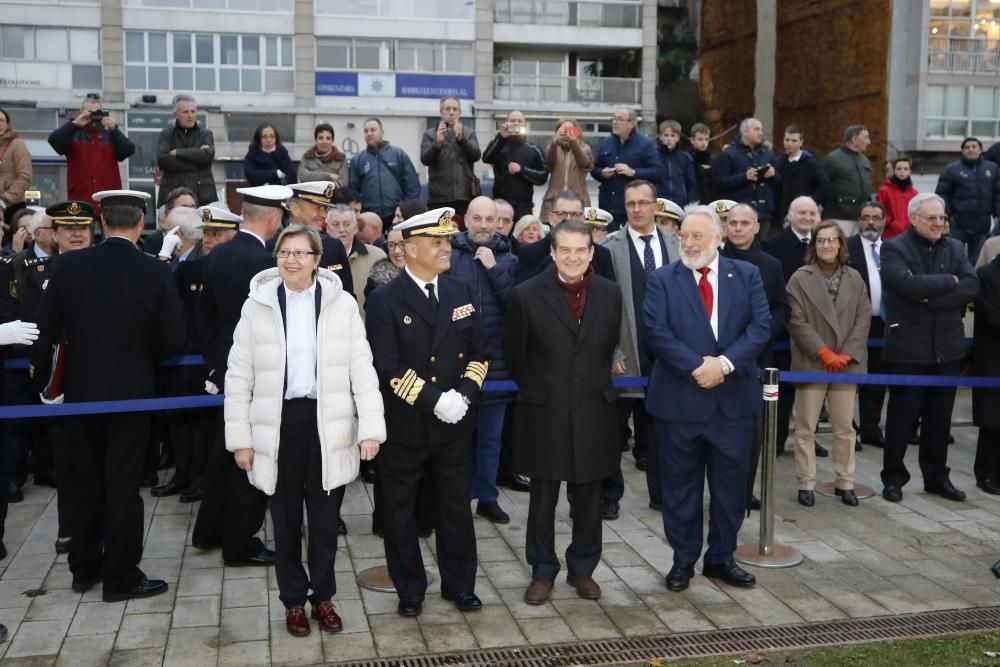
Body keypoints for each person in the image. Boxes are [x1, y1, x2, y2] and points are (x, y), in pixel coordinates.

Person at [226, 223, 384, 637]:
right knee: (284, 520)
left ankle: (324, 597)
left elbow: (361, 370)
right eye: (284, 252)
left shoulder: (341, 304)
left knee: (326, 520)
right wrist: (240, 440)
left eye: (300, 253)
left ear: (317, 260)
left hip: (327, 423)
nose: (291, 260)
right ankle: (293, 601)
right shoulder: (257, 304)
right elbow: (238, 376)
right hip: (278, 426)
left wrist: (370, 429)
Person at [32, 189, 184, 602]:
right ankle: (120, 576)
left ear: (100, 223)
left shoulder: (66, 267)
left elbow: (45, 331)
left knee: (83, 483)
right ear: (140, 224)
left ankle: (84, 567)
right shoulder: (154, 271)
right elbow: (172, 340)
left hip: (78, 394)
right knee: (123, 487)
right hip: (132, 395)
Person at [365, 207, 489, 618]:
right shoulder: (385, 300)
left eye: (447, 241)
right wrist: (437, 400)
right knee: (401, 514)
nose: (445, 248)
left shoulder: (462, 290)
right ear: (410, 248)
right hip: (407, 426)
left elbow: (479, 353)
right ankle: (410, 589)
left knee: (456, 508)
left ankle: (460, 585)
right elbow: (388, 367)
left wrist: (465, 395)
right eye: (437, 242)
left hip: (455, 425)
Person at [642, 205, 770, 593]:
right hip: (679, 403)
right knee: (680, 488)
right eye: (684, 235)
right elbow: (656, 331)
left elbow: (760, 326)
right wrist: (699, 366)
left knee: (731, 488)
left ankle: (721, 558)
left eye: (698, 235)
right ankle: (683, 560)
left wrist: (726, 365)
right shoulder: (662, 279)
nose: (689, 242)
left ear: (719, 238)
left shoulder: (746, 275)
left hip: (731, 406)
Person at [504, 219, 622, 605]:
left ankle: (582, 569)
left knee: (588, 495)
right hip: (545, 411)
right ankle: (542, 570)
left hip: (593, 410)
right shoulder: (525, 294)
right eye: (564, 249)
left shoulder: (610, 293)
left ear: (591, 253)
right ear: (552, 252)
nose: (573, 257)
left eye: (581, 250)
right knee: (542, 499)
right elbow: (516, 355)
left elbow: (606, 348)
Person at [192, 184, 292, 566]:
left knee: (226, 451)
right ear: (271, 217)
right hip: (260, 372)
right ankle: (240, 542)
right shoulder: (267, 264)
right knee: (253, 456)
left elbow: (204, 316)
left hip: (228, 367)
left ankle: (210, 530)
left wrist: (216, 362)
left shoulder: (217, 255)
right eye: (280, 214)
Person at [880, 192, 979, 504]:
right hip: (908, 349)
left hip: (947, 349)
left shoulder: (957, 247)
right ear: (914, 219)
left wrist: (932, 293)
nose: (939, 223)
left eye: (942, 217)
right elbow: (906, 286)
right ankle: (893, 479)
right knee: (901, 420)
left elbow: (970, 286)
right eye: (932, 218)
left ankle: (936, 478)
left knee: (940, 421)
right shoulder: (894, 247)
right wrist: (948, 281)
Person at [602, 181, 679, 518]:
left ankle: (661, 494)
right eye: (630, 203)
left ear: (655, 205)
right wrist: (613, 352)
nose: (636, 209)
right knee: (612, 432)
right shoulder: (609, 247)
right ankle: (609, 497)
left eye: (643, 202)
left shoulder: (677, 245)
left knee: (660, 429)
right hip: (625, 354)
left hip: (667, 356)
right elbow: (603, 306)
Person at [155, 206, 240, 505]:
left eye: (218, 235)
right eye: (207, 234)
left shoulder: (237, 268)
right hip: (187, 357)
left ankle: (204, 481)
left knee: (209, 426)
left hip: (220, 359)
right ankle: (184, 476)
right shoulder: (190, 268)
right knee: (181, 421)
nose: (210, 241)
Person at [786, 220, 871, 508]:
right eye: (821, 240)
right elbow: (795, 320)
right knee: (806, 426)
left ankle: (845, 481)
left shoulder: (855, 278)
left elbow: (864, 317)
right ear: (814, 246)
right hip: (813, 362)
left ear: (841, 245)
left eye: (832, 240)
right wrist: (823, 352)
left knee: (845, 427)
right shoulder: (799, 278)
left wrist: (845, 354)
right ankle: (806, 482)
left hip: (845, 365)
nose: (826, 245)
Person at [445, 196, 517, 524]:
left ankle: (487, 497)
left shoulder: (509, 258)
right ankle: (456, 498)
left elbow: (516, 304)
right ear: (466, 220)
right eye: (478, 218)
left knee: (490, 439)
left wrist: (493, 267)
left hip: (498, 366)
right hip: (457, 367)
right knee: (457, 440)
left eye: (491, 219)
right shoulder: (449, 254)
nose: (485, 225)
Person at [30, 200, 93, 555]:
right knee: (67, 461)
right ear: (54, 234)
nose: (77, 233)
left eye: (83, 227)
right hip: (60, 379)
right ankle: (69, 528)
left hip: (98, 376)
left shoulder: (102, 267)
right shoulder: (34, 270)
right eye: (69, 228)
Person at [719, 203, 790, 511]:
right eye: (732, 222)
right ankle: (720, 496)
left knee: (752, 434)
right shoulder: (714, 260)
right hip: (719, 359)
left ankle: (744, 494)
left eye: (744, 223)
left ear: (756, 227)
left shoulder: (771, 265)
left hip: (758, 361)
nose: (737, 228)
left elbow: (782, 308)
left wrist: (759, 333)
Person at [763, 196, 826, 457]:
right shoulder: (773, 244)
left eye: (812, 213)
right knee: (782, 390)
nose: (807, 218)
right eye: (802, 213)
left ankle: (808, 438)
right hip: (784, 330)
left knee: (811, 389)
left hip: (816, 329)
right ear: (790, 216)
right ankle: (775, 441)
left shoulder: (825, 243)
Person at [47, 94, 135, 216]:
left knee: (109, 234)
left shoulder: (110, 135)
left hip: (108, 201)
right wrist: (74, 124)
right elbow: (54, 141)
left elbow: (128, 150)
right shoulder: (73, 134)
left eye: (97, 113)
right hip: (80, 200)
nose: (93, 116)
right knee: (82, 234)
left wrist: (114, 129)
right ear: (81, 113)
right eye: (89, 113)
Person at [847, 202, 889, 448]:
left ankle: (871, 429)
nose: (871, 222)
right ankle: (848, 430)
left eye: (876, 217)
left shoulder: (892, 248)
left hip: (882, 324)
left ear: (884, 221)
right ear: (859, 221)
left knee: (877, 379)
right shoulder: (848, 248)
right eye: (866, 217)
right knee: (850, 378)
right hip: (852, 324)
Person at [515, 191, 616, 283]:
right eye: (561, 214)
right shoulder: (530, 253)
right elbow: (521, 296)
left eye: (574, 214)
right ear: (550, 218)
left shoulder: (601, 255)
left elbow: (609, 295)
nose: (568, 219)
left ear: (583, 218)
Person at [591, 107, 659, 230]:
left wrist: (633, 172)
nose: (615, 122)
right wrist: (601, 173)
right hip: (608, 207)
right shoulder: (605, 143)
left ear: (632, 123)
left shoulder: (645, 144)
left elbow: (657, 172)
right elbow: (593, 168)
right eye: (614, 119)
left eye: (620, 119)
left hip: (634, 210)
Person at [935, 137, 1000, 265]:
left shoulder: (992, 169)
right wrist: (946, 216)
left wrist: (997, 213)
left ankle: (974, 284)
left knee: (977, 262)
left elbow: (997, 193)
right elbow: (942, 195)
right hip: (958, 225)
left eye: (974, 146)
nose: (971, 149)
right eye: (967, 147)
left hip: (982, 226)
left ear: (980, 149)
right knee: (952, 259)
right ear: (962, 151)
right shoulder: (951, 169)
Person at [284, 182, 354, 297]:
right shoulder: (273, 246)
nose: (324, 215)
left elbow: (348, 295)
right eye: (318, 208)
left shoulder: (334, 247)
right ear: (295, 208)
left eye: (325, 209)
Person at [713, 118, 780, 239]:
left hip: (763, 213)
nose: (760, 133)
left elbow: (780, 184)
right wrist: (744, 177)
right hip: (739, 214)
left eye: (762, 130)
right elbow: (719, 182)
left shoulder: (768, 154)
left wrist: (773, 175)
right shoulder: (729, 154)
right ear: (745, 132)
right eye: (756, 129)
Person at [348, 118, 420, 227]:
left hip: (396, 215)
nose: (369, 133)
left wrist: (404, 210)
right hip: (369, 217)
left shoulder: (398, 154)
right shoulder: (357, 160)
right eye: (366, 131)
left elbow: (412, 186)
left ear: (382, 132)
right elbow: (353, 192)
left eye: (373, 130)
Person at [421, 97, 481, 218]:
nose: (451, 112)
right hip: (438, 198)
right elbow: (425, 159)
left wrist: (462, 140)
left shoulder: (469, 133)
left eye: (455, 109)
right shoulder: (430, 134)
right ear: (441, 112)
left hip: (464, 197)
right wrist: (437, 144)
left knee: (462, 234)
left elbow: (476, 156)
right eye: (447, 109)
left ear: (459, 113)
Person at [483, 111, 548, 219]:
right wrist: (501, 136)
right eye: (513, 121)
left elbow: (543, 177)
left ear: (525, 125)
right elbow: (486, 158)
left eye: (519, 121)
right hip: (500, 205)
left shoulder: (533, 149)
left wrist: (522, 170)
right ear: (507, 123)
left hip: (524, 207)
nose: (516, 123)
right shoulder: (499, 143)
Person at [156, 94, 217, 207]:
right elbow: (163, 161)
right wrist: (197, 160)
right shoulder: (166, 134)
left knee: (204, 225)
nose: (190, 116)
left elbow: (207, 157)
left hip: (203, 197)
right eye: (185, 112)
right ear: (175, 114)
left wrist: (178, 152)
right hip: (173, 197)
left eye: (193, 111)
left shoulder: (205, 134)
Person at [973, 249, 1000, 497]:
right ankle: (986, 474)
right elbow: (993, 317)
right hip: (993, 360)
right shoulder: (987, 275)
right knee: (992, 422)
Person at [326, 205, 386, 313]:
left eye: (347, 224)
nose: (341, 229)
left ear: (356, 228)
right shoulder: (317, 257)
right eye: (335, 224)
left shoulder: (377, 256)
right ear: (327, 228)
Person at [773, 124, 829, 230]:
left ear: (801, 142)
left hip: (805, 215)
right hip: (782, 216)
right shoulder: (778, 162)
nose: (790, 144)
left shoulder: (811, 163)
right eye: (787, 140)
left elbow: (825, 188)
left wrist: (808, 201)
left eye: (794, 141)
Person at [823, 125, 872, 237]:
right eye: (865, 137)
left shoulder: (864, 160)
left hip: (860, 218)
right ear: (854, 139)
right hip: (838, 218)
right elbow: (821, 186)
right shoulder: (833, 159)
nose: (868, 142)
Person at [540, 118, 593, 220]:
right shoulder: (552, 148)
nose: (567, 133)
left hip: (578, 200)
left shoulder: (584, 148)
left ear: (577, 131)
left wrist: (574, 143)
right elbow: (549, 164)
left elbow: (585, 164)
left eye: (570, 129)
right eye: (563, 130)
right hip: (554, 199)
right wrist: (554, 143)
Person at [655, 120, 697, 208]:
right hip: (659, 203)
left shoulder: (685, 158)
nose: (669, 139)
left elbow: (691, 184)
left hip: (680, 203)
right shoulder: (653, 156)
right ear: (660, 136)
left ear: (678, 138)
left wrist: (688, 203)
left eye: (673, 136)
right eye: (666, 135)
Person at [0, 108, 31, 224]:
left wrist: (5, 200)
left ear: (7, 124)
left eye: (1, 120)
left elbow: (25, 177)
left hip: (13, 206)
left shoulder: (17, 144)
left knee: (12, 241)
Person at [876, 156, 917, 241]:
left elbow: (917, 213)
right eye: (899, 169)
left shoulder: (914, 193)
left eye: (905, 169)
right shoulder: (884, 190)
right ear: (894, 171)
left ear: (910, 172)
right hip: (889, 235)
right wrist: (892, 223)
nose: (902, 171)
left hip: (909, 235)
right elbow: (878, 212)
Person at [690, 123, 715, 204]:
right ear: (692, 140)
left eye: (706, 139)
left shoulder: (713, 159)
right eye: (700, 139)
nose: (704, 143)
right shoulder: (687, 159)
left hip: (710, 202)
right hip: (692, 203)